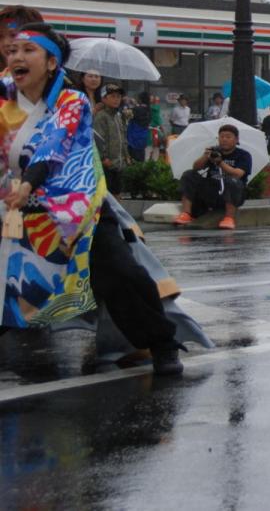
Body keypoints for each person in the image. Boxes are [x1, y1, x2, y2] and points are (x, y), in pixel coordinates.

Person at [0, 24, 184, 375]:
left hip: (77, 211)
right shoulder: (4, 99)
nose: (17, 57)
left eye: (28, 50)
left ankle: (161, 343)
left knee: (120, 273)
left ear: (52, 62)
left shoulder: (72, 101)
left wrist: (29, 183)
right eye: (13, 51)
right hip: (16, 210)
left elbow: (54, 144)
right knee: (8, 282)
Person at [173, 123, 253, 230]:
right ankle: (186, 213)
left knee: (232, 181)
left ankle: (229, 218)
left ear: (236, 139)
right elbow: (196, 167)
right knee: (189, 174)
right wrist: (205, 156)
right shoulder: (214, 152)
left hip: (232, 193)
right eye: (222, 136)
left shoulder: (243, 155)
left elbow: (237, 174)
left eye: (228, 137)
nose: (224, 139)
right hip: (212, 191)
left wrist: (220, 163)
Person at [94, 83, 130, 196]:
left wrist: (126, 155)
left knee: (117, 193)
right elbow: (98, 138)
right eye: (112, 96)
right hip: (106, 165)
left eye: (118, 97)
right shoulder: (101, 116)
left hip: (118, 164)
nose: (116, 99)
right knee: (106, 196)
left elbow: (122, 137)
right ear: (104, 99)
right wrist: (103, 158)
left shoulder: (118, 116)